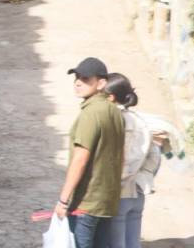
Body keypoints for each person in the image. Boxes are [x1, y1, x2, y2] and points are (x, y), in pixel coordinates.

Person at [102, 72, 181, 248]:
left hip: (120, 193)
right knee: (132, 243)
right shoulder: (140, 120)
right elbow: (154, 155)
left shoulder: (116, 121)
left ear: (111, 97)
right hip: (138, 191)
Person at [55, 57, 125, 248]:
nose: (78, 82)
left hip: (87, 203)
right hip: (107, 201)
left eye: (85, 79)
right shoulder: (115, 112)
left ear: (101, 83)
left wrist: (63, 200)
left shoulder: (91, 114)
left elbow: (80, 159)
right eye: (77, 77)